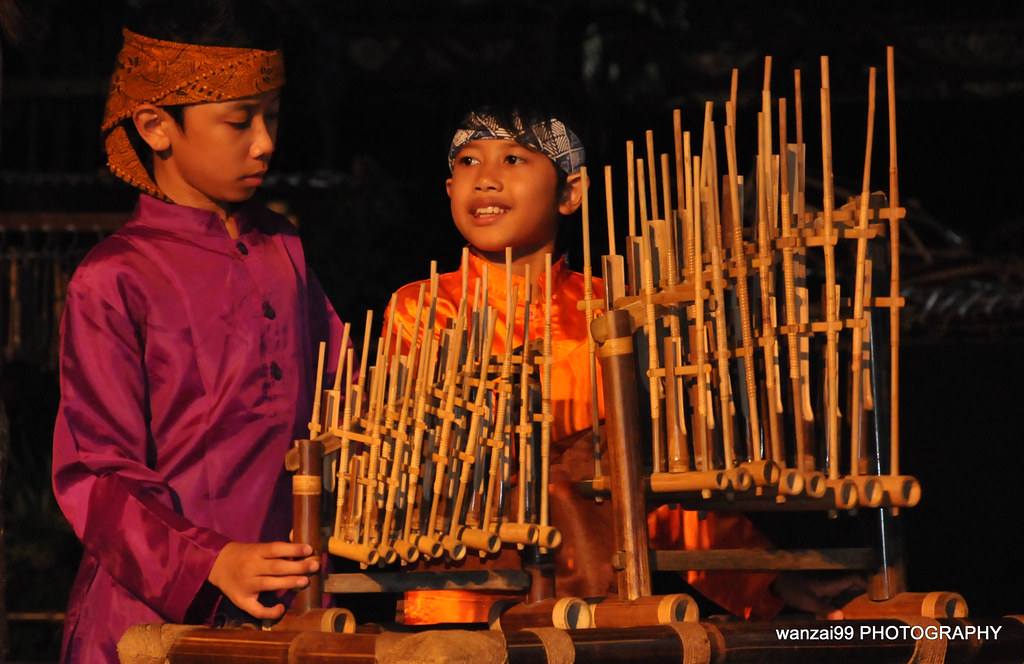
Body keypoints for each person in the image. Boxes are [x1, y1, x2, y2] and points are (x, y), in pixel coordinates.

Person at [385, 108, 796, 626]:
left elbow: (652, 481)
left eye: (513, 159)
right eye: (468, 162)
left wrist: (770, 582)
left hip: (592, 599)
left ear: (570, 192)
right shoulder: (422, 308)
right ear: (449, 188)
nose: (485, 178)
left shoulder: (610, 311)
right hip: (463, 597)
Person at [51, 3, 347, 662]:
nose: (265, 142)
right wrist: (215, 562)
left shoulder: (284, 250)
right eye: (239, 121)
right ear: (157, 125)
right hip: (152, 623)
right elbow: (98, 477)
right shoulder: (113, 277)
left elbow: (344, 404)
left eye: (271, 115)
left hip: (294, 610)